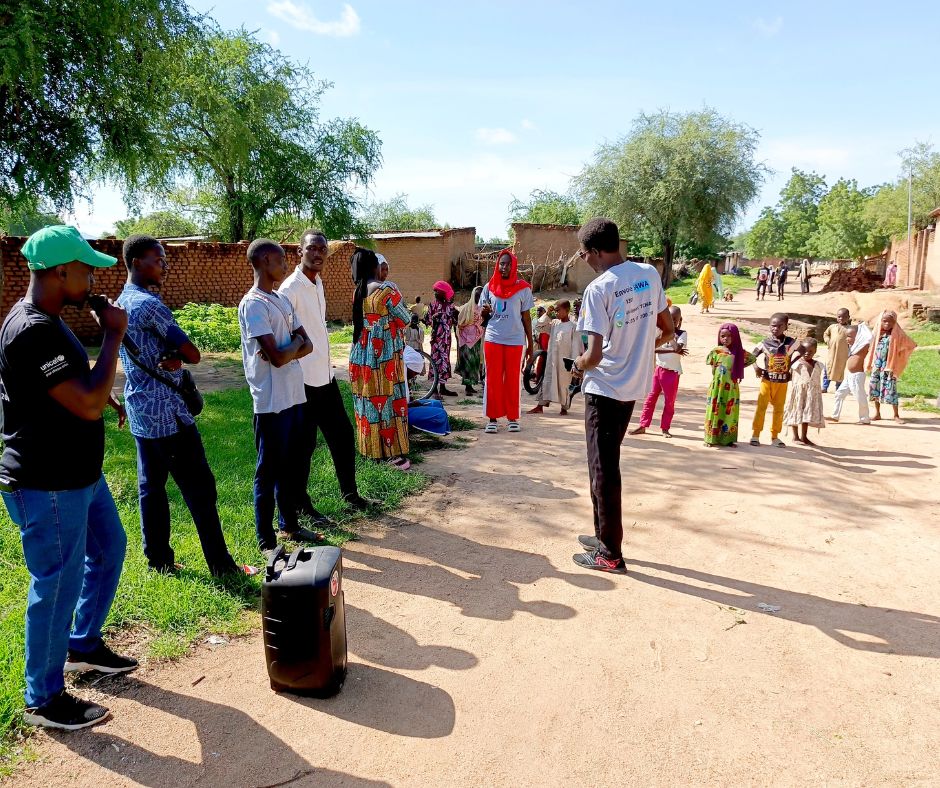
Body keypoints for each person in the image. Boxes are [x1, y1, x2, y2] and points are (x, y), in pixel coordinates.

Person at [0, 225, 138, 730]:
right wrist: (114, 335)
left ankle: (82, 644)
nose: (92, 278)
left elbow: (68, 389)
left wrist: (107, 396)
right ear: (60, 272)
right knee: (56, 583)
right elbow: (83, 401)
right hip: (48, 483)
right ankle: (43, 697)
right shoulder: (31, 328)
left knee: (109, 548)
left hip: (79, 475)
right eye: (85, 269)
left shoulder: (51, 320)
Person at [118, 235, 257, 577]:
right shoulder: (149, 305)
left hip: (139, 409)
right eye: (158, 259)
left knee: (151, 487)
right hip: (167, 413)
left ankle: (159, 560)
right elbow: (193, 353)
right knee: (199, 488)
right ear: (137, 261)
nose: (164, 265)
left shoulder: (119, 303)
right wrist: (178, 357)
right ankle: (223, 567)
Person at [569, 218, 673, 574]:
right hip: (632, 387)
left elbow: (594, 355)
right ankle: (602, 535)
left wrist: (578, 365)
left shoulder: (599, 289)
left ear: (596, 251)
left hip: (605, 388)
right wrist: (640, 351)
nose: (584, 259)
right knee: (602, 464)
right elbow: (667, 329)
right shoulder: (648, 274)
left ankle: (610, 553)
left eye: (584, 253)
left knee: (603, 470)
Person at [278, 230, 377, 518]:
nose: (318, 253)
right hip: (304, 381)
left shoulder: (317, 282)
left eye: (322, 249)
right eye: (312, 249)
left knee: (343, 436)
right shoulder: (290, 289)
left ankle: (350, 493)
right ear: (300, 252)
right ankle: (300, 504)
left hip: (326, 377)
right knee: (304, 447)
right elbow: (285, 337)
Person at [238, 239, 318, 559]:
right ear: (266, 260)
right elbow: (277, 357)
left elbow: (307, 344)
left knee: (291, 465)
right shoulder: (253, 304)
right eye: (282, 259)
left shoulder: (281, 300)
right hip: (270, 400)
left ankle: (289, 524)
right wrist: (291, 346)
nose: (286, 264)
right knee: (268, 469)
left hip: (294, 395)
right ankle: (266, 538)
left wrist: (291, 346)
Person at [348, 248, 413, 468]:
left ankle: (370, 451)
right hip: (383, 356)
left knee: (367, 401)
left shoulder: (357, 292)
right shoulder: (386, 291)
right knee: (386, 400)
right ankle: (390, 455)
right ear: (375, 267)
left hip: (361, 354)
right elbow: (405, 318)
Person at [479, 249, 534, 434]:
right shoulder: (489, 287)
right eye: (501, 263)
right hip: (493, 338)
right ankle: (492, 419)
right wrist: (485, 312)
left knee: (512, 379)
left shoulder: (523, 288)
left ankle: (512, 418)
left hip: (515, 340)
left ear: (514, 266)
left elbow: (526, 318)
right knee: (492, 379)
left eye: (507, 263)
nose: (504, 267)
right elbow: (481, 317)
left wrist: (531, 347)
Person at [630, 305, 688, 438]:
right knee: (650, 399)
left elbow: (679, 348)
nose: (672, 322)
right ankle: (643, 425)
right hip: (658, 369)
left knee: (669, 402)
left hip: (672, 372)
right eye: (670, 319)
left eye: (675, 319)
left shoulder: (682, 334)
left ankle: (665, 428)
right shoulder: (660, 331)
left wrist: (670, 335)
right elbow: (652, 348)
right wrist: (672, 348)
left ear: (680, 320)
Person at [750, 313, 803, 447]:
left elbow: (803, 350)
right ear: (769, 326)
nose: (776, 328)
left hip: (782, 382)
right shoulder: (764, 343)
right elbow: (751, 356)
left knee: (779, 409)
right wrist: (756, 367)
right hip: (767, 380)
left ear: (786, 326)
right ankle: (755, 435)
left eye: (780, 326)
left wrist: (791, 365)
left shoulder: (792, 342)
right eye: (773, 326)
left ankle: (775, 436)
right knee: (761, 407)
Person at [704, 323, 756, 448]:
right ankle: (710, 438)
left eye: (729, 336)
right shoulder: (716, 351)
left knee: (730, 413)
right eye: (722, 336)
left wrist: (738, 368)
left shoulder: (739, 352)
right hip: (717, 387)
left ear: (735, 337)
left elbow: (752, 359)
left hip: (731, 388)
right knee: (714, 411)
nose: (725, 339)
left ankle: (728, 440)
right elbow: (712, 366)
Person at [528, 300, 582, 416]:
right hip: (552, 361)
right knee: (547, 381)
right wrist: (547, 314)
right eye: (555, 310)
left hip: (564, 362)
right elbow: (539, 327)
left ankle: (564, 408)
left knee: (564, 384)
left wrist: (573, 363)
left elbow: (576, 346)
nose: (556, 312)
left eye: (558, 310)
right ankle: (540, 406)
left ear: (567, 310)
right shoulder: (554, 324)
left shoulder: (573, 327)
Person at [867, 310, 917, 424]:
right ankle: (877, 413)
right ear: (880, 321)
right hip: (877, 366)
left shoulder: (897, 334)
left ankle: (896, 415)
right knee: (875, 388)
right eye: (884, 321)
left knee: (892, 390)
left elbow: (910, 344)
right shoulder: (877, 333)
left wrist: (900, 355)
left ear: (894, 322)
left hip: (889, 367)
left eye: (890, 322)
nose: (887, 324)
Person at [784, 338, 825, 445]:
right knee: (796, 412)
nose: (807, 353)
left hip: (811, 395)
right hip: (798, 394)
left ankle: (804, 436)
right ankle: (795, 436)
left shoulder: (819, 365)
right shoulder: (795, 364)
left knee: (806, 414)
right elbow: (788, 377)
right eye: (804, 351)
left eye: (810, 351)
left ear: (815, 351)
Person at [831, 322, 873, 424]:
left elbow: (869, 336)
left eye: (849, 336)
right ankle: (835, 416)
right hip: (850, 376)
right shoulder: (854, 347)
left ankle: (865, 418)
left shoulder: (863, 346)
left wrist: (861, 326)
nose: (847, 339)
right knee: (839, 394)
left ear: (858, 337)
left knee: (860, 397)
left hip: (857, 376)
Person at [424, 280, 458, 398]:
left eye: (437, 291)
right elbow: (427, 321)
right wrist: (433, 317)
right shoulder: (432, 305)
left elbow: (455, 321)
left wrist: (456, 316)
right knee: (435, 361)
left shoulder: (450, 307)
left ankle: (443, 388)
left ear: (444, 293)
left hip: (447, 340)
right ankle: (434, 390)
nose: (435, 293)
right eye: (434, 291)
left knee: (444, 361)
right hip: (436, 340)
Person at [454, 285, 485, 396]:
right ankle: (468, 387)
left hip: (476, 339)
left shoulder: (483, 308)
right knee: (468, 363)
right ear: (473, 296)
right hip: (466, 340)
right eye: (477, 296)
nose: (479, 298)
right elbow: (459, 323)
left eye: (481, 296)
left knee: (474, 363)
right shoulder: (466, 308)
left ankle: (471, 385)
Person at [822, 308, 851, 393]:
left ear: (848, 317)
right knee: (827, 369)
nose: (841, 318)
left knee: (840, 371)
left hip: (842, 355)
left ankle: (838, 388)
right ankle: (824, 387)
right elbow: (825, 334)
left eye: (844, 317)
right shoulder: (832, 327)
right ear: (836, 317)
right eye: (839, 316)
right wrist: (827, 340)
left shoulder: (849, 329)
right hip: (831, 353)